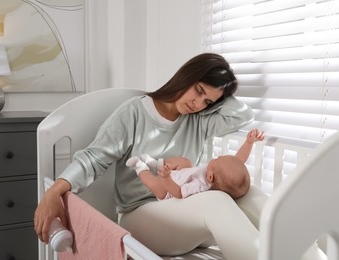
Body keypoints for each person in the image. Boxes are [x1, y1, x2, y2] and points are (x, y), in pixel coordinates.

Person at [34, 53, 261, 259]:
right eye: (199, 91)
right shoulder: (134, 113)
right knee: (218, 200)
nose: (197, 104)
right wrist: (54, 191)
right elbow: (94, 159)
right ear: (186, 76)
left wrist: (222, 90)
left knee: (249, 194)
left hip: (188, 215)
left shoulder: (200, 119)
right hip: (142, 216)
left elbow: (242, 115)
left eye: (208, 102)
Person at [126, 129, 265, 200]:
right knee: (185, 162)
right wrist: (249, 143)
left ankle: (140, 167)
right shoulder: (217, 173)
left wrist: (167, 178)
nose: (217, 157)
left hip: (171, 189)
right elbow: (239, 160)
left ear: (210, 178)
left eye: (218, 158)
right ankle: (156, 165)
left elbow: (179, 194)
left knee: (157, 186)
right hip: (183, 175)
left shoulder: (199, 187)